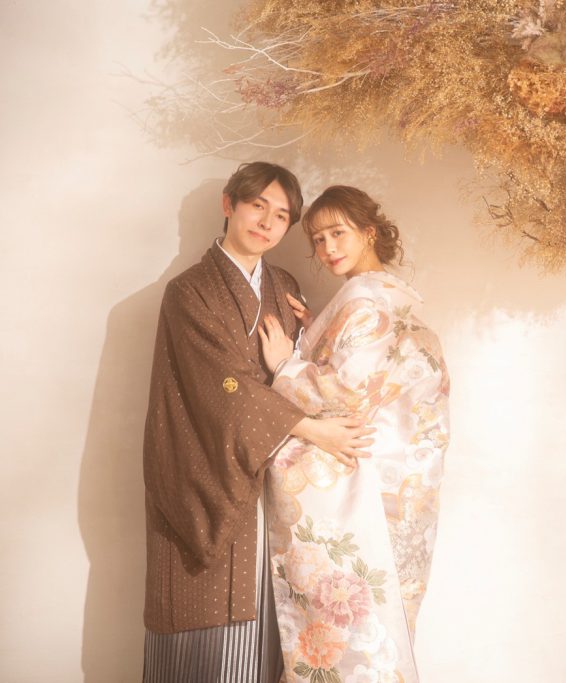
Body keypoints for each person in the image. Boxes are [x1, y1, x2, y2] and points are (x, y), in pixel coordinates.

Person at [142, 163, 374, 683]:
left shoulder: (283, 285)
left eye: (282, 216)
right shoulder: (188, 291)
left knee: (271, 624)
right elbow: (220, 384)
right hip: (209, 473)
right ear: (229, 204)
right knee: (206, 620)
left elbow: (302, 372)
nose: (267, 222)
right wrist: (312, 430)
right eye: (257, 206)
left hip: (274, 480)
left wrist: (312, 337)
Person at [258, 186, 450, 683]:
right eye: (318, 240)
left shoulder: (367, 301)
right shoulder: (385, 295)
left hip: (370, 484)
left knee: (355, 626)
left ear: (368, 232)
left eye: (338, 233)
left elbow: (346, 392)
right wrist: (318, 329)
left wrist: (284, 366)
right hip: (403, 482)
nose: (328, 248)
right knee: (384, 627)